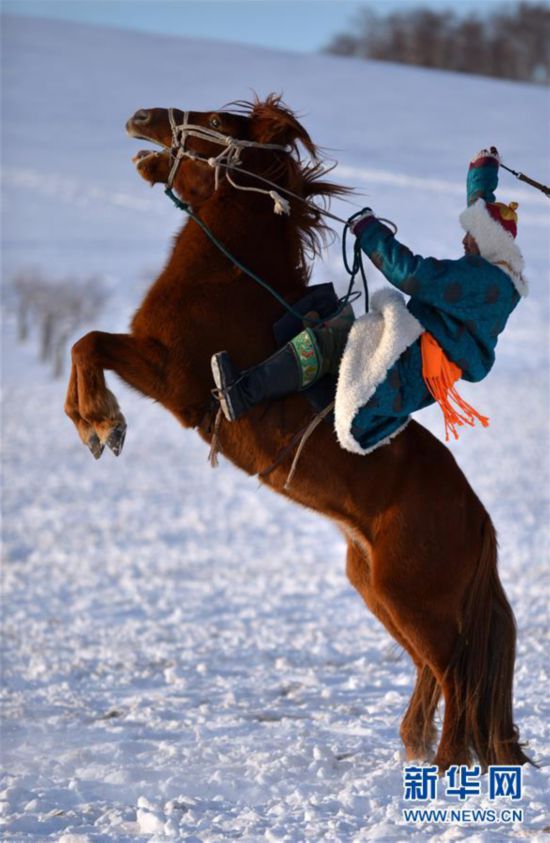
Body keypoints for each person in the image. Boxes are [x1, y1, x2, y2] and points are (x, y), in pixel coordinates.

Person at [211, 147, 527, 453]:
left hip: (405, 369)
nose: (464, 240)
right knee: (328, 310)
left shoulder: (481, 278)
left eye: (470, 236)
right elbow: (482, 213)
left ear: (486, 240)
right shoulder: (496, 275)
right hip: (417, 358)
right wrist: (483, 167)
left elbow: (413, 276)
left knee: (332, 338)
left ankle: (244, 393)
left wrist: (369, 231)